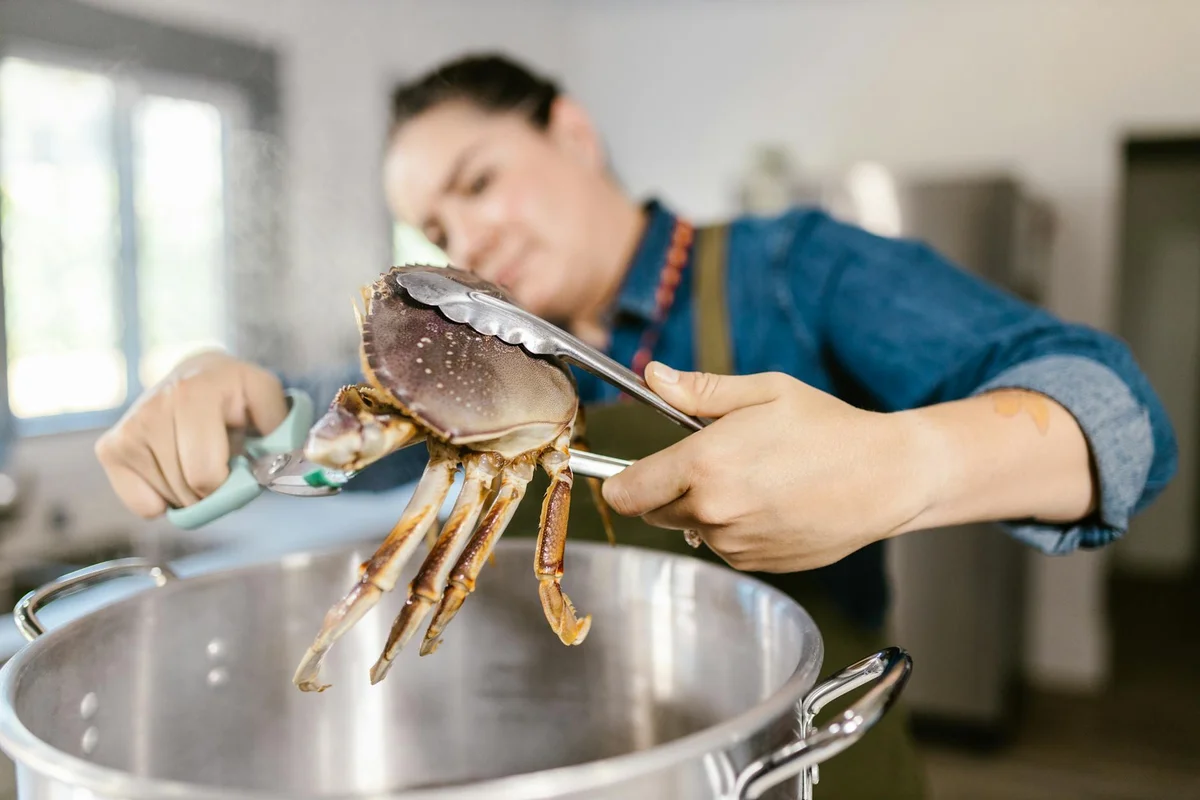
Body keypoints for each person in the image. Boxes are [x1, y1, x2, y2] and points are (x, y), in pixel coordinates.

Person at [94, 53, 1176, 798]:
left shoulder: (791, 272)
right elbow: (332, 434)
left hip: (798, 768)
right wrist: (224, 396)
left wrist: (912, 458)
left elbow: (1122, 413)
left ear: (571, 129)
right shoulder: (479, 352)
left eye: (478, 181)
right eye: (436, 223)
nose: (468, 233)